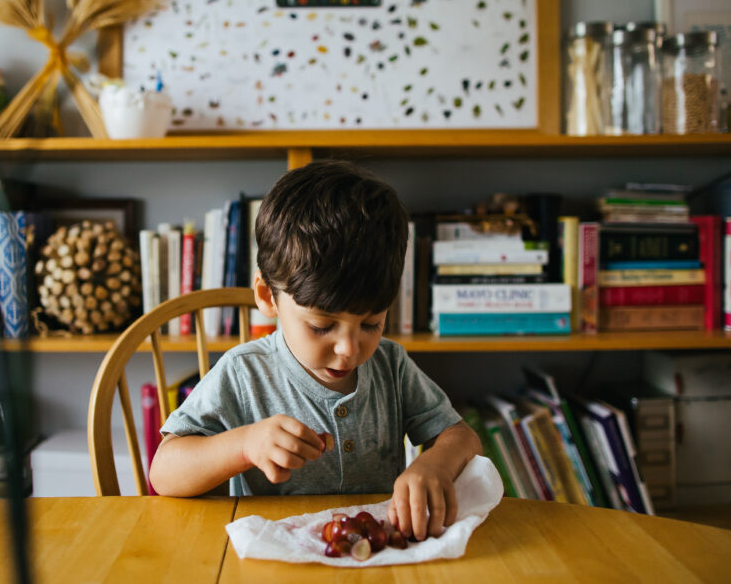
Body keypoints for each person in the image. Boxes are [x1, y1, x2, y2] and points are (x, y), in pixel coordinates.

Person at [149, 160, 482, 541]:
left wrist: (435, 464)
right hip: (277, 558)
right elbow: (164, 471)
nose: (348, 349)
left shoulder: (390, 365)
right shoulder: (244, 373)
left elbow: (462, 436)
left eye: (371, 323)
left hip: (375, 555)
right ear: (266, 296)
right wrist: (244, 445)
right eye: (321, 325)